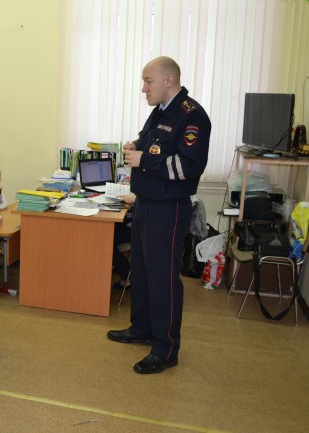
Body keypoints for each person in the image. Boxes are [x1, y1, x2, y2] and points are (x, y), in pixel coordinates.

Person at [107, 56, 211, 374]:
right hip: (146, 203)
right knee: (141, 270)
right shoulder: (161, 112)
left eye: (148, 81)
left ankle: (166, 348)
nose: (143, 88)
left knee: (163, 278)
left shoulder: (192, 117)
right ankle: (142, 328)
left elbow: (187, 166)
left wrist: (144, 160)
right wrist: (136, 146)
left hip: (168, 209)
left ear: (169, 80)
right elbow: (153, 145)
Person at [112, 193, 135, 290]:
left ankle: (126, 274)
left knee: (104, 238)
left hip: (141, 227)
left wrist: (135, 199)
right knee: (102, 233)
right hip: (136, 220)